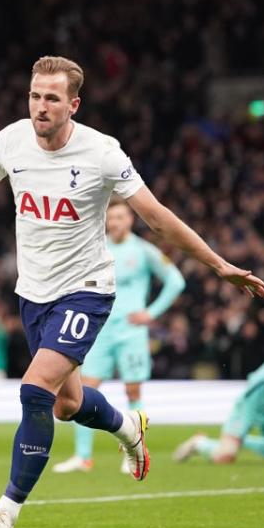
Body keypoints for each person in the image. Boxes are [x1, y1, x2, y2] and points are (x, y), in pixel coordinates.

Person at [0, 56, 264, 528]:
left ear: (73, 104)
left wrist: (218, 264)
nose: (40, 106)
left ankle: (4, 515)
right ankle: (128, 431)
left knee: (34, 390)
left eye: (52, 98)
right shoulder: (11, 141)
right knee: (67, 404)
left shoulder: (102, 153)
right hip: (33, 295)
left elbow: (157, 218)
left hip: (86, 291)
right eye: (35, 96)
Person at [53, 197, 185, 474]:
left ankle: (133, 452)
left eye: (120, 217)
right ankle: (83, 456)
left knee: (132, 390)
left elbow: (176, 281)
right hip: (99, 331)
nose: (114, 223)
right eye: (110, 218)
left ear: (130, 220)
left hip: (131, 332)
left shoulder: (144, 250)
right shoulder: (97, 249)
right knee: (83, 391)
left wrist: (151, 312)